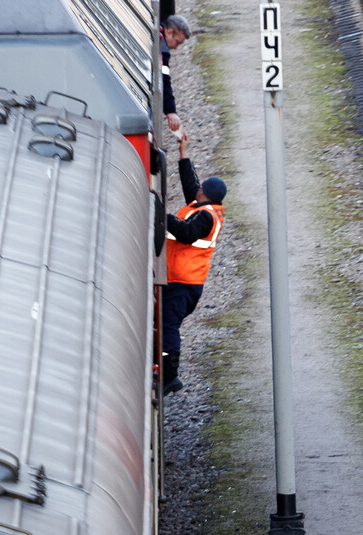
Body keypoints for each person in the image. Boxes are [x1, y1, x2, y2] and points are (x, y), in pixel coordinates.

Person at [162, 129, 224, 395]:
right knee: (164, 324)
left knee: (168, 326)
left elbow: (187, 234)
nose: (196, 189)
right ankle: (163, 369)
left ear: (206, 195)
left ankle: (170, 376)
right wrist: (183, 152)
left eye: (200, 189)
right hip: (178, 279)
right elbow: (191, 182)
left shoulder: (206, 217)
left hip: (184, 284)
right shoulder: (204, 206)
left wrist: (163, 216)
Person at [160, 15, 191, 133]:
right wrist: (171, 111)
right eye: (177, 42)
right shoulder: (163, 52)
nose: (176, 48)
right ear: (169, 32)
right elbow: (164, 80)